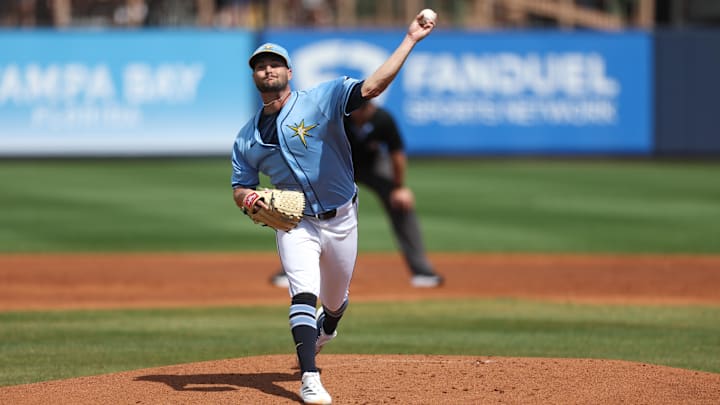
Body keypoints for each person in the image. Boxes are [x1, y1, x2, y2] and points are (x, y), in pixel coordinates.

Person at [230, 12, 435, 405]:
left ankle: (330, 325)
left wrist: (410, 40)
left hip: (342, 218)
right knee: (303, 292)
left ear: (289, 71)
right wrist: (251, 200)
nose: (267, 69)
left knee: (336, 300)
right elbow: (241, 186)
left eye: (274, 63)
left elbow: (373, 86)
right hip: (295, 223)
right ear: (254, 76)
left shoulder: (322, 98)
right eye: (260, 66)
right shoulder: (246, 137)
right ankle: (309, 375)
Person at [271, 101, 443, 288]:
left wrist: (399, 187)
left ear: (372, 107)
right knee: (309, 208)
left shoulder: (382, 119)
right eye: (357, 108)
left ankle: (423, 271)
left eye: (365, 107)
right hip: (338, 166)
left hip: (372, 165)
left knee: (401, 204)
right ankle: (292, 270)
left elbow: (397, 153)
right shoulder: (337, 119)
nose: (361, 112)